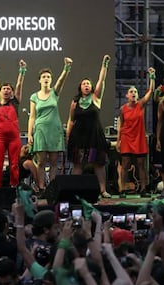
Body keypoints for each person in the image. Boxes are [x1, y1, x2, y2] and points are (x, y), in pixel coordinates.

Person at [66, 55, 112, 198]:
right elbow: (71, 120)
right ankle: (75, 190)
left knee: (98, 164)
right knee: (78, 164)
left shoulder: (96, 98)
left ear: (91, 87)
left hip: (94, 136)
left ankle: (103, 190)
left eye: (88, 84)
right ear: (80, 87)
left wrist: (105, 64)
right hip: (78, 136)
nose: (86, 85)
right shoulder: (75, 102)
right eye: (84, 83)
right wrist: (68, 136)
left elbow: (101, 80)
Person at [27, 57, 73, 191]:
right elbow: (32, 117)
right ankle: (41, 187)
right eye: (43, 76)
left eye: (48, 77)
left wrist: (66, 68)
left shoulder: (54, 93)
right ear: (39, 80)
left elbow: (61, 80)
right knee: (41, 162)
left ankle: (52, 188)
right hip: (40, 130)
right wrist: (30, 134)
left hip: (54, 130)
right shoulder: (34, 97)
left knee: (54, 162)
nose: (46, 78)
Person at [116, 67, 156, 198]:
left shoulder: (140, 104)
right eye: (131, 91)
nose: (133, 93)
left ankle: (143, 189)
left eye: (135, 91)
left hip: (139, 138)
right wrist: (118, 140)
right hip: (127, 138)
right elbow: (121, 124)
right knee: (125, 164)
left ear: (137, 95)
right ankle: (122, 189)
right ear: (127, 95)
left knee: (141, 164)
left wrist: (152, 77)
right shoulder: (123, 109)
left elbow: (150, 91)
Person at [0, 60, 26, 188]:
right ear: (0, 92)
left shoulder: (15, 102)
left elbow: (19, 84)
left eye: (9, 89)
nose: (6, 90)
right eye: (4, 89)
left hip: (14, 139)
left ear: (12, 92)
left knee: (14, 165)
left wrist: (22, 71)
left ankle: (14, 188)